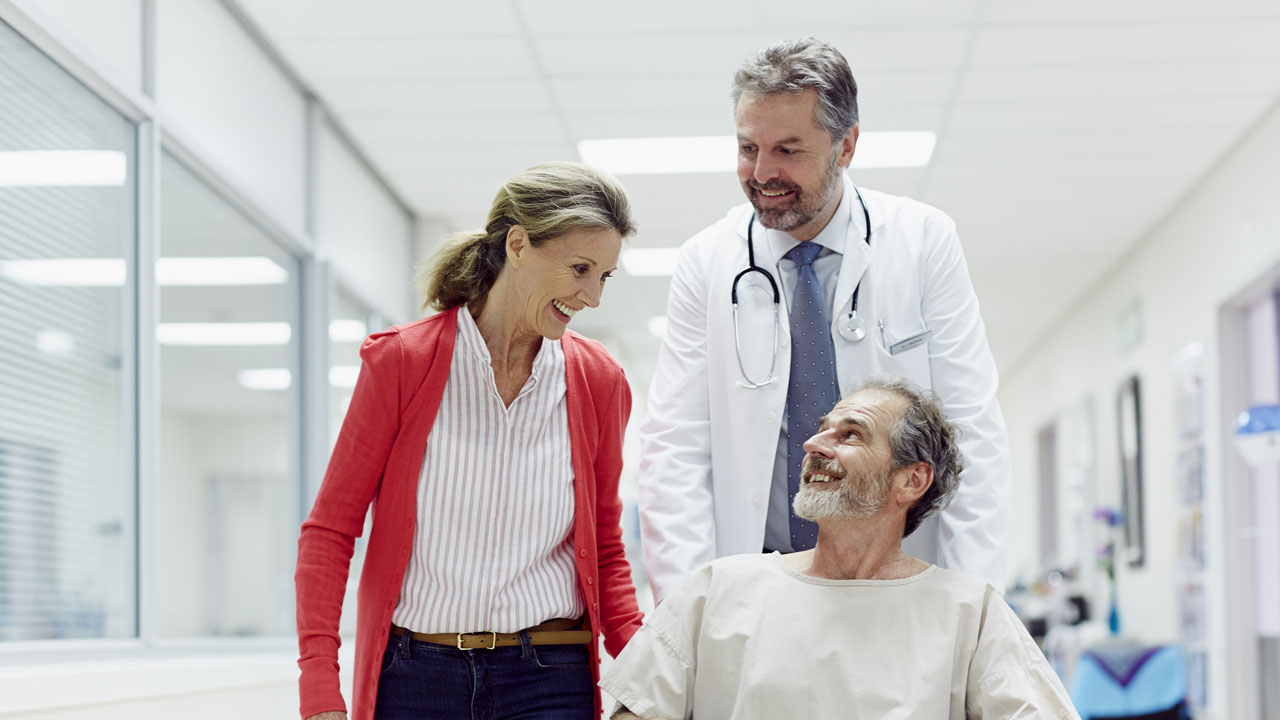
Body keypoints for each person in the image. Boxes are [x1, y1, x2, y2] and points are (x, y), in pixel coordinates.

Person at [637, 36, 1011, 601]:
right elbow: (676, 448)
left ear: (846, 146)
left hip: (898, 578)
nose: (762, 172)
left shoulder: (922, 240)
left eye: (789, 150)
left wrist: (972, 601)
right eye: (747, 148)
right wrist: (687, 610)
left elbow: (970, 430)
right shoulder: (706, 261)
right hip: (757, 583)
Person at [295, 162, 645, 720]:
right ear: (519, 244)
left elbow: (605, 548)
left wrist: (648, 678)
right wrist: (319, 692)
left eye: (604, 276)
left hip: (550, 678)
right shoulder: (402, 363)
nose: (592, 297)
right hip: (415, 677)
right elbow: (330, 531)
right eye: (580, 269)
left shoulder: (599, 382)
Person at [605, 378, 1078, 720]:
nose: (813, 444)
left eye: (850, 434)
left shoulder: (969, 612)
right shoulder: (718, 590)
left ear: (911, 480)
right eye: (822, 429)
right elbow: (638, 710)